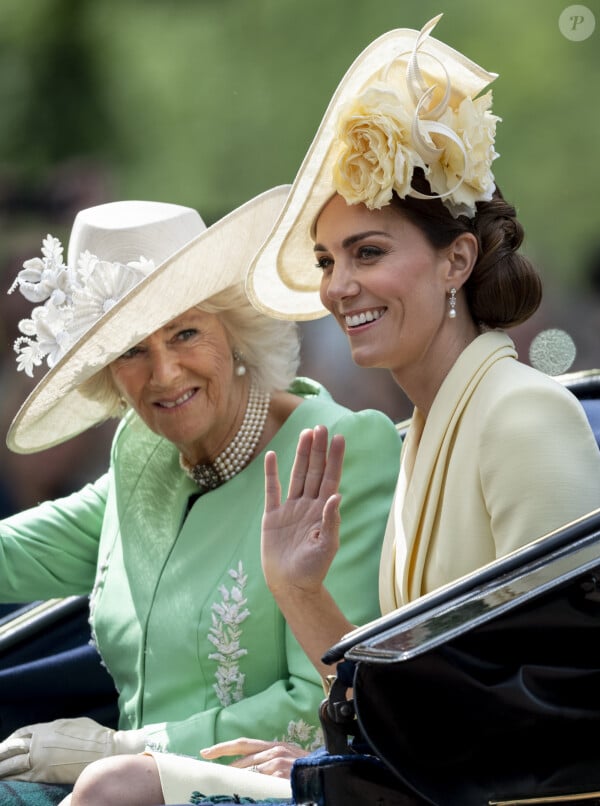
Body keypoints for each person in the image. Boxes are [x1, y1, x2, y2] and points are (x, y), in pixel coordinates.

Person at [66, 13, 600, 806]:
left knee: (117, 785)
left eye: (369, 252)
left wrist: (328, 769)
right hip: (406, 784)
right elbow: (423, 712)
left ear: (457, 259)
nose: (338, 286)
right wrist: (298, 592)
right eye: (327, 259)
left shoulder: (523, 419)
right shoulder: (419, 434)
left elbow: (556, 733)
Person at [0, 188, 402, 805]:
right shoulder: (144, 460)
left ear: (236, 333)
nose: (163, 374)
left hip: (276, 787)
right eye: (132, 349)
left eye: (185, 333)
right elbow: (11, 552)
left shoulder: (339, 447)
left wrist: (119, 751)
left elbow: (322, 699)